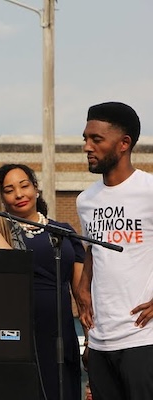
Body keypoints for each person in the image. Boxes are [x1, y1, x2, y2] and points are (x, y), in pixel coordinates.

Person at [75, 101, 153, 400]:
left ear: (123, 144)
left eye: (96, 139)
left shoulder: (148, 190)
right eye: (85, 138)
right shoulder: (86, 200)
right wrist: (83, 287)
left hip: (143, 339)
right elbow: (94, 250)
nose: (87, 146)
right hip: (100, 341)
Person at [0, 163, 84, 400]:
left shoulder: (64, 231)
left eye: (24, 185)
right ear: (1, 198)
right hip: (22, 333)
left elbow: (81, 293)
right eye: (9, 189)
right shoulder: (1, 233)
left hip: (62, 330)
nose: (19, 194)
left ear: (36, 188)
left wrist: (89, 336)